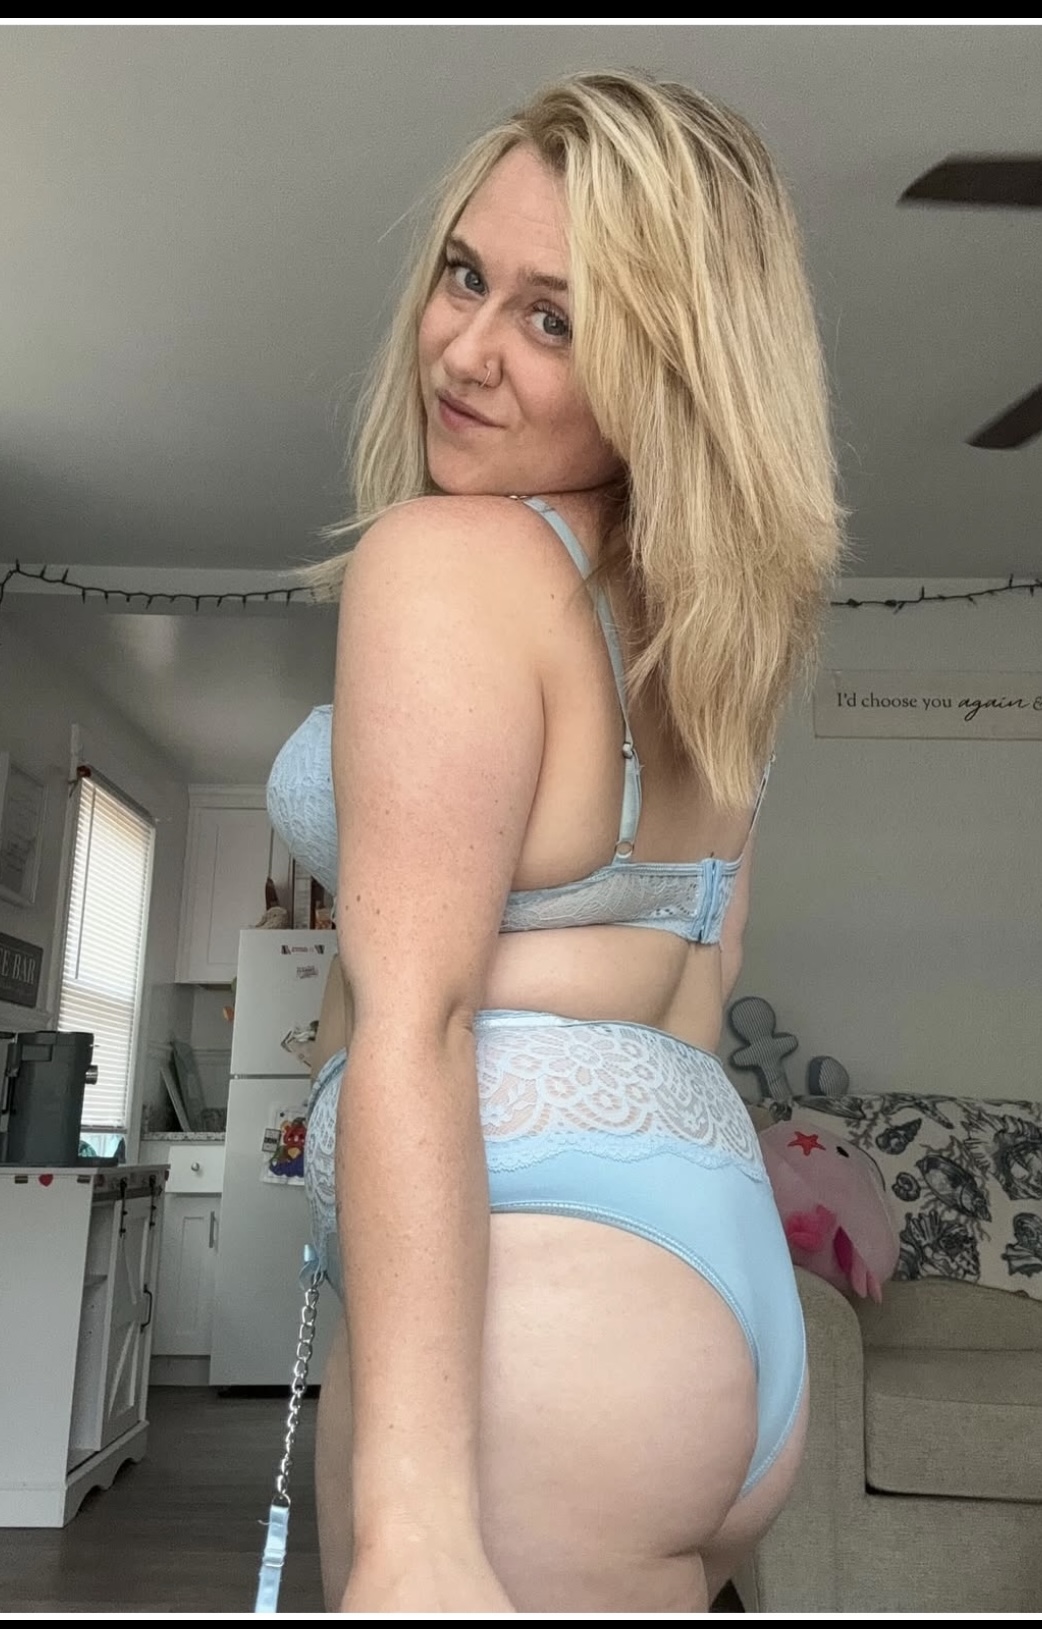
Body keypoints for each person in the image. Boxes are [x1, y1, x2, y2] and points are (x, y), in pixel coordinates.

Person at [267, 68, 843, 1615]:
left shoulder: (444, 562)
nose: (466, 350)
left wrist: (412, 1526)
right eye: (465, 275)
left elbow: (419, 1015)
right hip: (703, 1303)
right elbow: (694, 980)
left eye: (553, 319)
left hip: (541, 1331)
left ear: (668, 368)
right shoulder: (708, 635)